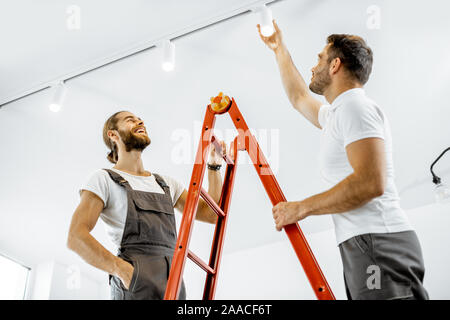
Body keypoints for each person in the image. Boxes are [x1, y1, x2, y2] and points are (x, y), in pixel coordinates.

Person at [258, 20, 428, 300]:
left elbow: (370, 183)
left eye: (319, 59)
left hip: (378, 243)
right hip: (368, 243)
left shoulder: (354, 107)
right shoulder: (339, 113)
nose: (313, 67)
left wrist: (300, 208)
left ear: (335, 65)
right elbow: (299, 97)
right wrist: (279, 49)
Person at [67, 110, 226, 300]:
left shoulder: (166, 184)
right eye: (130, 120)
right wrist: (122, 270)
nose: (139, 121)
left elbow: (211, 215)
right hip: (135, 283)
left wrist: (214, 167)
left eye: (140, 119)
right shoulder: (103, 179)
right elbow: (76, 237)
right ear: (113, 134)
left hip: (173, 283)